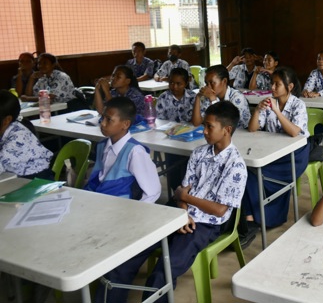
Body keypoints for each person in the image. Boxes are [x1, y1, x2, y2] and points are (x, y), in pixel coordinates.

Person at [95, 101, 247, 303]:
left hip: (206, 224)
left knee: (163, 271)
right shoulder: (199, 153)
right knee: (130, 253)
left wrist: (185, 199)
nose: (204, 131)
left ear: (227, 130)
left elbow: (219, 210)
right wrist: (183, 211)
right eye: (204, 125)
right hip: (180, 212)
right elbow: (181, 191)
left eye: (209, 126)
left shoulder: (235, 165)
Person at [243, 66, 310, 230]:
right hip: (273, 151)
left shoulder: (298, 105)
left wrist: (277, 111)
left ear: (290, 87)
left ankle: (262, 217)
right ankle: (250, 217)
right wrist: (258, 111)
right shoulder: (269, 102)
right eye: (272, 83)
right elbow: (252, 129)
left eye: (277, 84)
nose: (272, 87)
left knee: (257, 174)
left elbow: (294, 132)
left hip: (295, 154)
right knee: (247, 170)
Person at [84, 97, 161, 202]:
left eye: (108, 119)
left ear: (125, 124)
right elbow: (99, 179)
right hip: (98, 200)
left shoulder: (135, 152)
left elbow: (153, 192)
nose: (102, 123)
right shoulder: (101, 145)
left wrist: (137, 212)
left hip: (119, 205)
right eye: (102, 118)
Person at [0, 90, 53, 179]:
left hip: (37, 180)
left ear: (7, 120)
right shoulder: (5, 128)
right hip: (15, 177)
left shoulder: (18, 138)